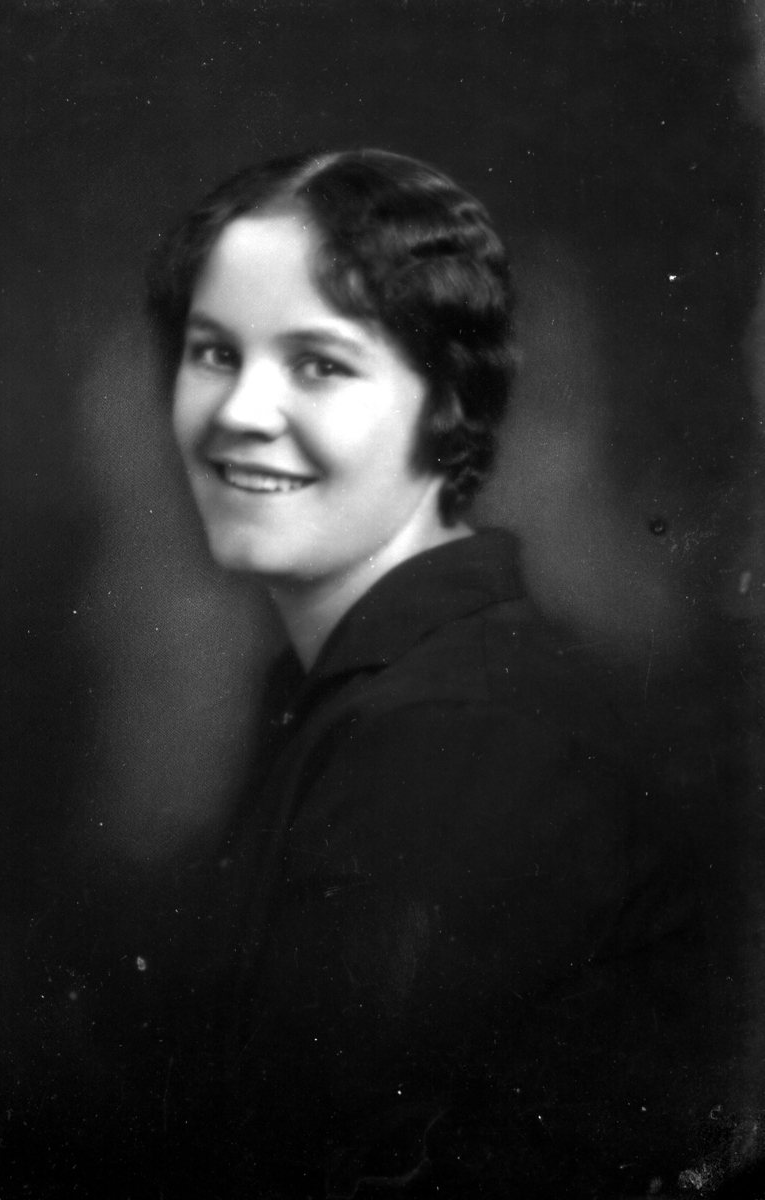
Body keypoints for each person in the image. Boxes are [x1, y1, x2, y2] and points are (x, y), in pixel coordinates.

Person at [144, 149, 736, 1198]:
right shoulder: (348, 691)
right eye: (214, 353)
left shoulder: (458, 727)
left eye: (319, 364)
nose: (239, 411)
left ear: (447, 402)